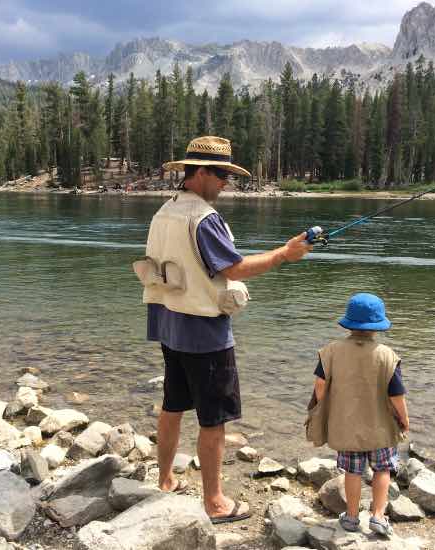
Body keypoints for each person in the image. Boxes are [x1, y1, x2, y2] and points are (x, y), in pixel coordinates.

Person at [140, 136, 312, 524]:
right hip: (204, 333)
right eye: (220, 175)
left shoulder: (164, 211)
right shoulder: (203, 218)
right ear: (199, 173)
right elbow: (234, 269)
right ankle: (215, 502)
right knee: (213, 418)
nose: (225, 184)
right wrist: (285, 255)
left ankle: (166, 479)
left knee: (172, 404)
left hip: (168, 323)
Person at [312, 293, 409, 536]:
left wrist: (325, 407)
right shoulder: (387, 355)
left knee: (353, 472)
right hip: (381, 427)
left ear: (349, 323)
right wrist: (404, 420)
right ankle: (378, 515)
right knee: (383, 469)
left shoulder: (331, 351)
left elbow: (320, 387)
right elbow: (396, 395)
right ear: (378, 326)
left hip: (347, 425)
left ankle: (352, 517)